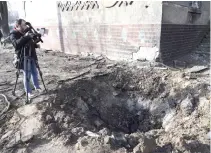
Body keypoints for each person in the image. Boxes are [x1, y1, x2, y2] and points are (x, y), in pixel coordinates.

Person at [10, 19, 42, 99]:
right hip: (23, 57)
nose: (25, 26)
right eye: (23, 25)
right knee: (27, 75)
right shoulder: (13, 34)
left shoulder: (26, 32)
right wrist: (26, 36)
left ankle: (37, 87)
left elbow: (29, 43)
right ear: (17, 26)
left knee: (34, 72)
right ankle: (28, 92)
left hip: (31, 55)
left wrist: (36, 44)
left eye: (25, 25)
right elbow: (17, 45)